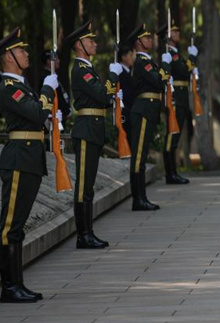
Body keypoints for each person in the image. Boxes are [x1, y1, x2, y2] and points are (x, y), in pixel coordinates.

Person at [0, 28, 58, 303]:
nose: (26, 54)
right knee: (11, 226)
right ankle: (9, 287)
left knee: (18, 225)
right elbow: (35, 112)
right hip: (19, 159)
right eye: (20, 50)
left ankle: (17, 283)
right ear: (8, 56)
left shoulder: (20, 85)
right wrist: (47, 89)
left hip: (29, 158)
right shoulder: (8, 89)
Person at [66, 21, 121, 249]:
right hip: (86, 129)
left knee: (88, 186)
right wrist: (112, 75)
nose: (94, 43)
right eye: (90, 40)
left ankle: (88, 232)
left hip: (93, 128)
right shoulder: (80, 70)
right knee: (83, 187)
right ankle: (83, 235)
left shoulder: (88, 69)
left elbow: (105, 99)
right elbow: (101, 95)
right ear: (79, 45)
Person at [129, 24, 170, 211]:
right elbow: (159, 81)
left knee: (142, 155)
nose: (150, 40)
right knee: (139, 157)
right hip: (143, 111)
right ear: (139, 42)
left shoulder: (148, 61)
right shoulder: (141, 62)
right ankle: (138, 199)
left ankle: (141, 197)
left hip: (148, 110)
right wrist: (166, 64)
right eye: (146, 38)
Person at [156, 20, 197, 185]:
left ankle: (173, 172)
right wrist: (192, 58)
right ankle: (170, 173)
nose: (178, 34)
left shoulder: (176, 54)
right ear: (167, 36)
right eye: (174, 32)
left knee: (175, 137)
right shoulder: (170, 54)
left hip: (181, 99)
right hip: (175, 100)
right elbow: (183, 71)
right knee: (171, 138)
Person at [40, 50, 71, 129]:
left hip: (59, 116)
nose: (58, 61)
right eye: (56, 58)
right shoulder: (46, 77)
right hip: (54, 117)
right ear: (48, 61)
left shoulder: (53, 75)